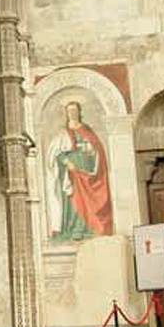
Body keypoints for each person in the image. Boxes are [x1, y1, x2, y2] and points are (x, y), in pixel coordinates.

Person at [47, 101, 113, 241]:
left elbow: (97, 148)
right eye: (69, 111)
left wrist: (91, 151)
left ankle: (87, 229)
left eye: (74, 110)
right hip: (71, 172)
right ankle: (73, 229)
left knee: (87, 199)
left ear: (79, 112)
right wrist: (67, 162)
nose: (72, 113)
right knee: (74, 201)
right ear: (66, 114)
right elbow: (55, 153)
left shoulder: (87, 130)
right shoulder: (63, 132)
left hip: (86, 169)